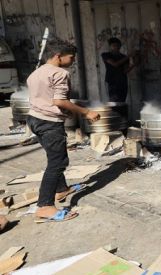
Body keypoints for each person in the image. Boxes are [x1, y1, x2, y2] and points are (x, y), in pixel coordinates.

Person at [26, 40, 100, 222]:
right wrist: (86, 112)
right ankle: (45, 206)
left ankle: (61, 189)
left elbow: (47, 97)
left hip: (34, 118)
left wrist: (74, 106)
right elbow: (59, 101)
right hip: (49, 123)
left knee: (54, 157)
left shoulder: (36, 72)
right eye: (71, 57)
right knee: (57, 163)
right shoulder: (60, 73)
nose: (73, 61)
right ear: (59, 56)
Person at [101, 37, 134, 102]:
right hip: (111, 82)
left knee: (122, 102)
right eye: (114, 45)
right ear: (110, 46)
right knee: (114, 103)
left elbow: (125, 71)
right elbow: (115, 64)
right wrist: (129, 56)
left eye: (118, 45)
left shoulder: (124, 57)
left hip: (122, 82)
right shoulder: (106, 55)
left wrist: (133, 65)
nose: (116, 47)